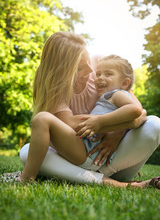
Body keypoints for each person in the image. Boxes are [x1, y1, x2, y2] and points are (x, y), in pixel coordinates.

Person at [4, 31, 160, 189]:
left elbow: (136, 109)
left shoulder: (101, 65)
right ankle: (115, 183)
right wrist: (126, 123)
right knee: (26, 151)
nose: (92, 72)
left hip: (109, 157)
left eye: (88, 63)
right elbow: (76, 127)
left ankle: (98, 177)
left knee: (155, 124)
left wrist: (118, 132)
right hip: (79, 155)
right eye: (80, 68)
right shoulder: (52, 89)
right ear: (64, 71)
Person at [75, 54, 143, 169]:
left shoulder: (117, 94)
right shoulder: (109, 96)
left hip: (91, 150)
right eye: (98, 74)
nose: (100, 78)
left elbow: (135, 109)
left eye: (108, 74)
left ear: (125, 83)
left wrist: (100, 121)